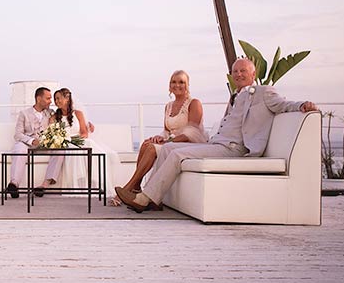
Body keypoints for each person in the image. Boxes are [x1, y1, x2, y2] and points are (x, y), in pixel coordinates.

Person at [115, 58, 319, 213]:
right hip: (217, 143)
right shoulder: (235, 96)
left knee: (177, 155)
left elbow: (283, 104)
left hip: (233, 148)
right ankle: (153, 199)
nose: (238, 74)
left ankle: (143, 199)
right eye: (235, 71)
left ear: (253, 72)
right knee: (167, 148)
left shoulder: (263, 92)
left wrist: (302, 105)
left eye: (243, 71)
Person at [113, 70, 207, 207]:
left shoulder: (194, 103)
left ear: (187, 85)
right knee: (146, 144)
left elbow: (192, 132)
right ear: (170, 86)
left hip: (188, 144)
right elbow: (167, 130)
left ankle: (128, 187)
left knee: (151, 148)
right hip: (173, 141)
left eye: (181, 82)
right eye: (174, 82)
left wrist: (168, 141)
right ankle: (137, 187)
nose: (177, 85)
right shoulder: (168, 106)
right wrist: (159, 137)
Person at [40, 88, 119, 197]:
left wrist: (75, 139)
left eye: (59, 98)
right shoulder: (53, 117)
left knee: (88, 144)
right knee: (73, 149)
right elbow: (52, 134)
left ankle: (94, 183)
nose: (56, 101)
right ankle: (77, 182)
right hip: (64, 143)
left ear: (67, 98)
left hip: (78, 140)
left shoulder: (78, 114)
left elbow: (84, 133)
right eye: (55, 99)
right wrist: (65, 140)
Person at [5, 86, 59, 198]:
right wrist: (31, 141)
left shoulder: (51, 113)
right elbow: (18, 134)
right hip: (28, 145)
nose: (51, 101)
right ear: (39, 99)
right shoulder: (24, 113)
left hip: (45, 146)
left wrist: (87, 124)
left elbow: (66, 117)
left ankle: (44, 186)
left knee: (60, 150)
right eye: (48, 98)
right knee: (19, 147)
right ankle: (14, 184)